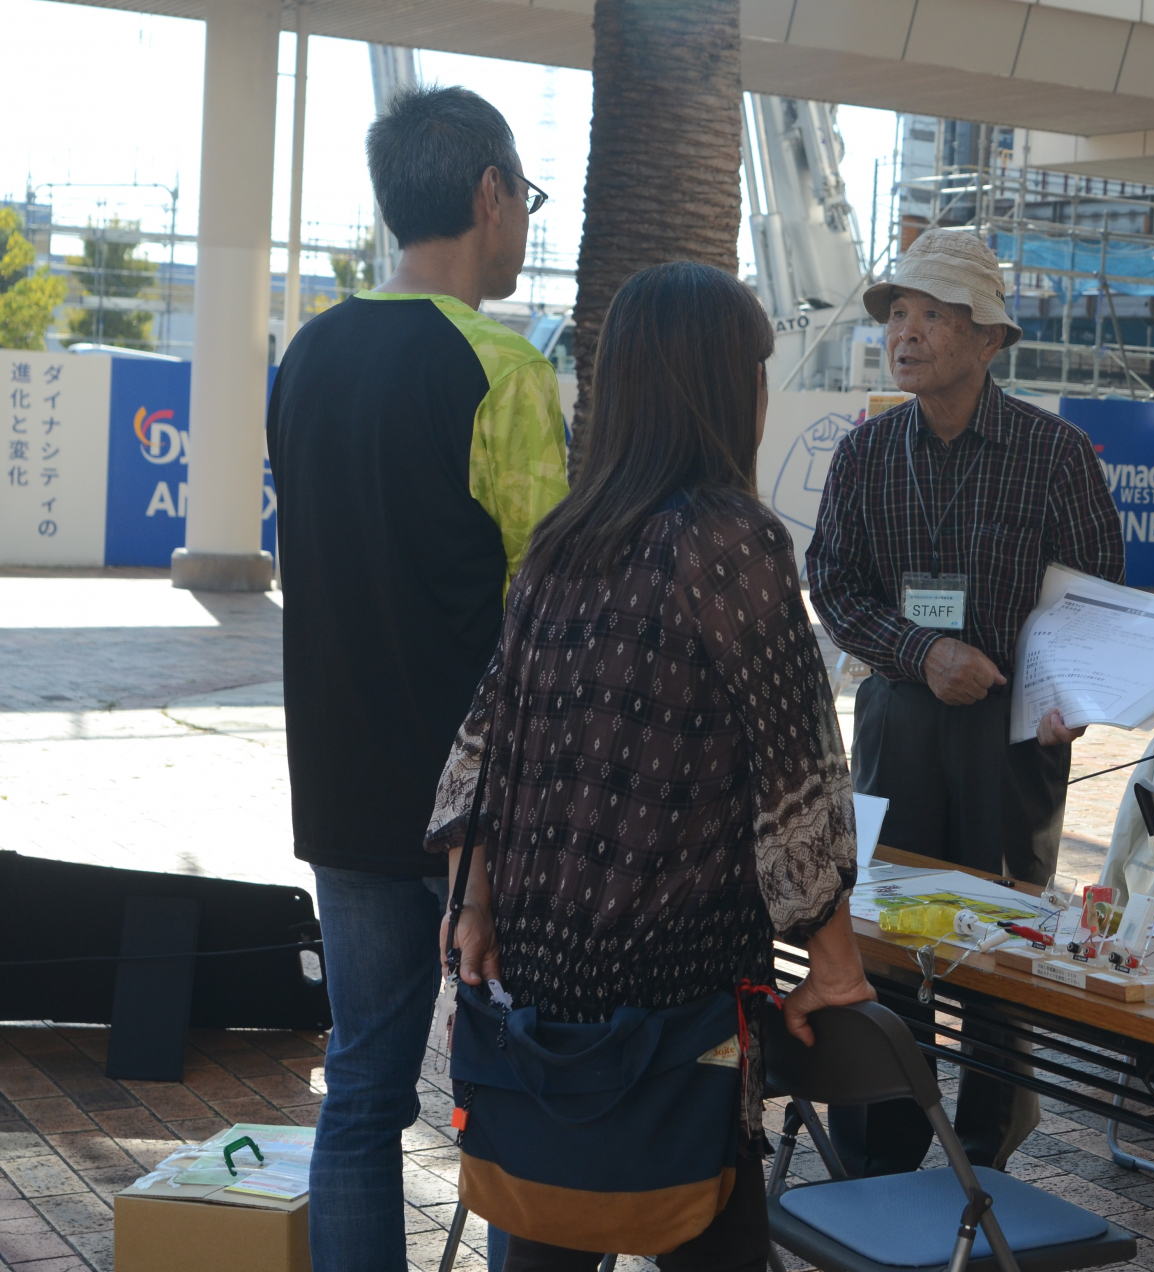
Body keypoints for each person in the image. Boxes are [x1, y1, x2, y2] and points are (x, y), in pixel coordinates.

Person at [431, 260, 872, 1271]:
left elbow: (481, 747)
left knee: (545, 1215)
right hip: (677, 989)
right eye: (757, 374)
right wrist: (836, 960)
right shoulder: (734, 542)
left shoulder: (560, 544)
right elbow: (798, 775)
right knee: (705, 1224)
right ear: (724, 389)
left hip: (540, 970)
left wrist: (476, 905)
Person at [266, 86, 568, 1271]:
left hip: (338, 785)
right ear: (490, 195)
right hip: (481, 814)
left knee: (360, 1096)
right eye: (525, 200)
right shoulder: (505, 364)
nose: (524, 224)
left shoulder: (310, 351)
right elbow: (544, 604)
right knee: (513, 1094)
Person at [806, 229, 1124, 1175]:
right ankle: (881, 1146)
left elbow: (1097, 594)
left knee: (1001, 941)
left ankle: (987, 1155)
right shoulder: (866, 457)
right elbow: (833, 582)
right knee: (890, 932)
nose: (904, 333)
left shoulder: (1055, 455)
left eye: (930, 314)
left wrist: (1068, 692)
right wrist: (921, 649)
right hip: (901, 716)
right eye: (897, 314)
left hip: (1013, 734)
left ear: (987, 339)